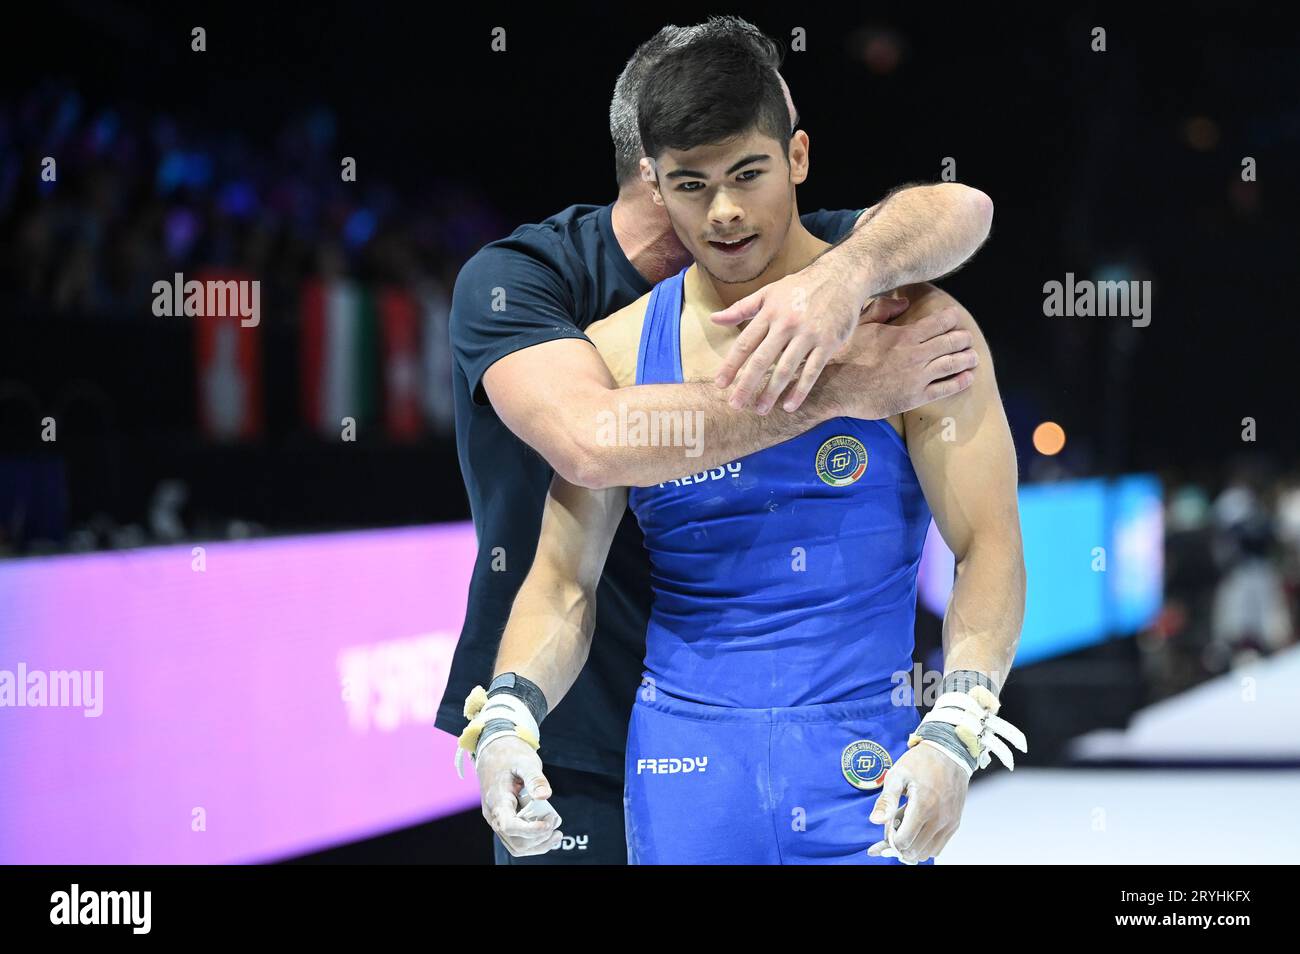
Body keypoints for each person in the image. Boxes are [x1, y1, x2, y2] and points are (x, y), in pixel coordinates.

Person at [460, 23, 1027, 866]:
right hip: (685, 772)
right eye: (692, 185)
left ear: (797, 156)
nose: (723, 211)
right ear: (654, 184)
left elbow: (988, 543)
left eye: (748, 175)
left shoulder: (909, 326)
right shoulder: (614, 351)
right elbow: (563, 580)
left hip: (867, 768)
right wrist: (506, 716)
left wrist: (958, 726)